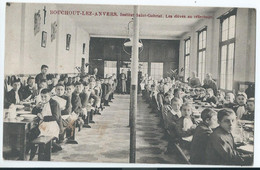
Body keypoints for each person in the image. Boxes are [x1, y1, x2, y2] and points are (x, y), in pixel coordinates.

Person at [30, 88, 63, 160]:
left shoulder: (54, 103)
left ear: (50, 96)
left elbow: (55, 117)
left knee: (35, 134)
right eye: (42, 96)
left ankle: (37, 153)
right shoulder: (42, 103)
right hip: (44, 125)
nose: (43, 98)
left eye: (45, 96)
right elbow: (33, 112)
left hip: (52, 125)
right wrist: (36, 107)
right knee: (32, 133)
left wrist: (43, 118)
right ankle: (32, 153)